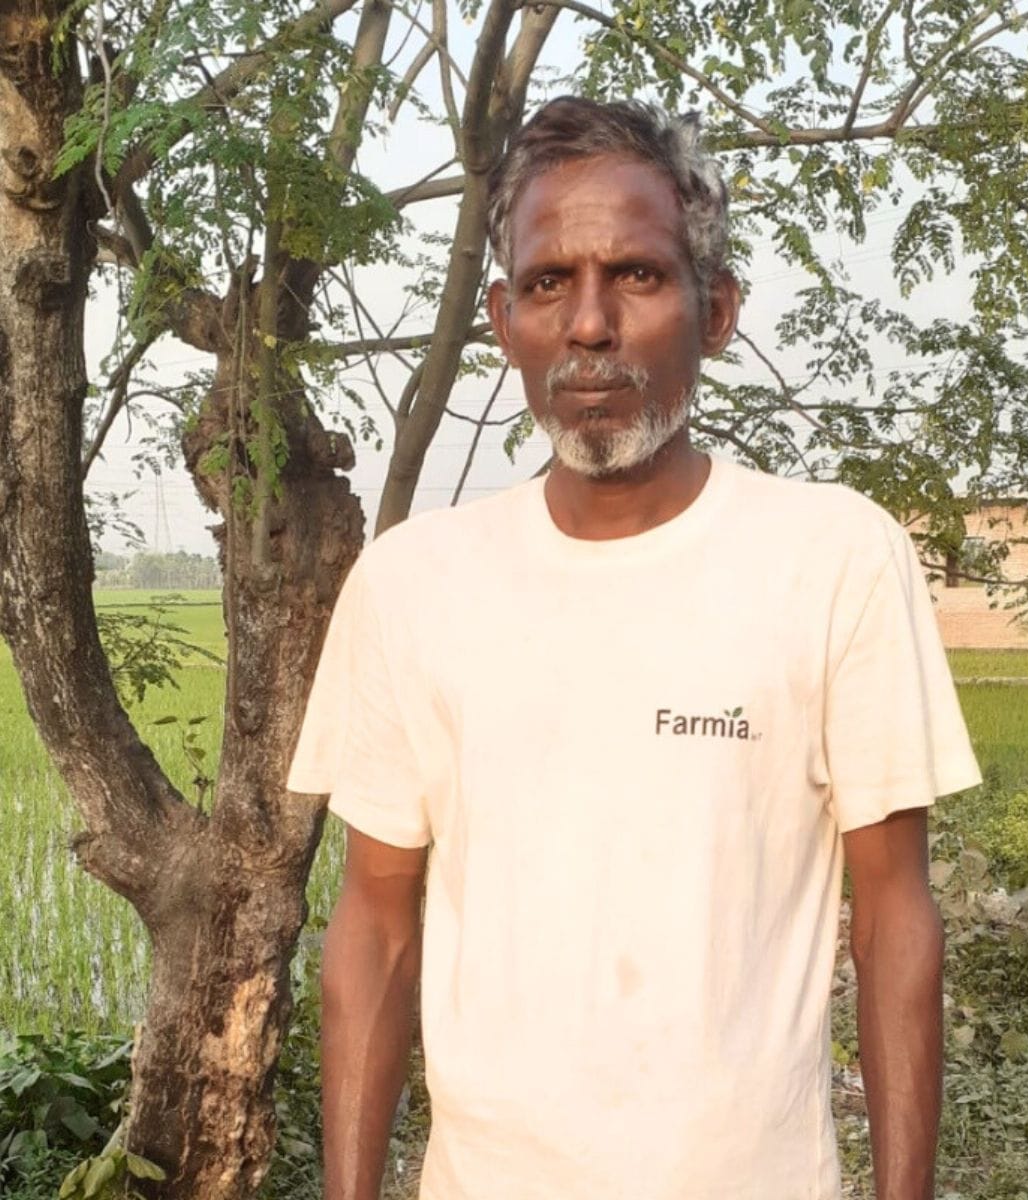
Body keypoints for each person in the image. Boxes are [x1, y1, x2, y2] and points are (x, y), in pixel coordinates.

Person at [288, 96, 981, 1200]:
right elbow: (374, 921)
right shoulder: (412, 585)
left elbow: (894, 913)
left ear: (715, 312)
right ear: (503, 320)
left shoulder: (834, 558)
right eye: (548, 282)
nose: (590, 324)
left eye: (639, 276)